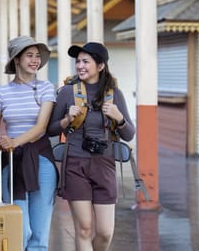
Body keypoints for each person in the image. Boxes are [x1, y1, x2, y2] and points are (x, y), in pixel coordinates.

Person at [47, 42, 135, 251]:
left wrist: (119, 117)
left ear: (101, 65)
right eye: (78, 61)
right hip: (75, 165)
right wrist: (67, 120)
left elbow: (129, 134)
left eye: (86, 61)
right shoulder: (67, 92)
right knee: (84, 229)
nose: (80, 66)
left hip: (104, 166)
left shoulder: (115, 94)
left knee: (105, 232)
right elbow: (49, 129)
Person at [0, 36, 58, 250]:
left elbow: (40, 128)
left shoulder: (46, 88)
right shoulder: (1, 92)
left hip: (42, 159)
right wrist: (0, 140)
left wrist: (13, 142)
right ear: (16, 59)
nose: (35, 60)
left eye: (38, 56)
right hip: (13, 162)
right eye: (29, 55)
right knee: (20, 228)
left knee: (39, 233)